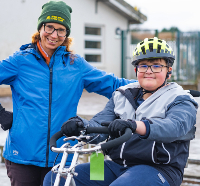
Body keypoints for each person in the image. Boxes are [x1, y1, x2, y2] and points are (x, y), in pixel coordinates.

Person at [0, 0, 136, 186]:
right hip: (22, 156)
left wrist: (153, 83)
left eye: (61, 30)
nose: (54, 35)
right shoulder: (19, 61)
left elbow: (114, 84)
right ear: (41, 28)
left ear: (66, 34)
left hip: (62, 155)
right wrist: (1, 114)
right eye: (50, 27)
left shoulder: (75, 65)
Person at [43, 37, 198, 186]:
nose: (149, 71)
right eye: (143, 65)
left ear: (168, 71)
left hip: (159, 169)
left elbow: (175, 127)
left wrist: (135, 125)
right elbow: (99, 124)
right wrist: (80, 124)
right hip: (117, 166)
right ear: (136, 69)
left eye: (156, 66)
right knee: (56, 177)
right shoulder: (122, 94)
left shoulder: (180, 98)